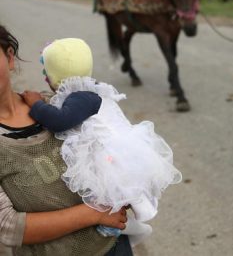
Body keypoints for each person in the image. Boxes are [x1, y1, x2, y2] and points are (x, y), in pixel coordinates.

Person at [21, 37, 182, 245]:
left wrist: (36, 105)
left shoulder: (81, 97)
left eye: (47, 74)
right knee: (118, 192)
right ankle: (129, 222)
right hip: (115, 152)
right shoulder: (91, 91)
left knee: (110, 192)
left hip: (109, 156)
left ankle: (125, 225)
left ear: (55, 76)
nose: (46, 80)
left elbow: (59, 121)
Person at [0, 24, 132, 256]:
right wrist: (96, 213)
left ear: (10, 57)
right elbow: (8, 228)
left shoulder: (61, 105)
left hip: (113, 247)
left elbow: (112, 149)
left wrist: (124, 187)